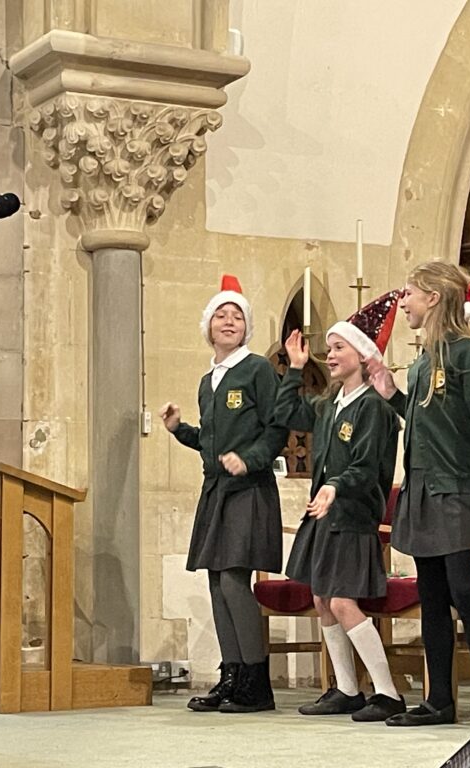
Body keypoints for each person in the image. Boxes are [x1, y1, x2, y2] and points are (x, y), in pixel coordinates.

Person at [366, 261, 470, 727]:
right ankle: (439, 701)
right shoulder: (423, 359)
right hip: (423, 491)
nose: (403, 302)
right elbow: (427, 422)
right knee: (432, 597)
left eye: (409, 293)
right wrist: (393, 396)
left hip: (455, 490)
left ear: (433, 298)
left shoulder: (469, 354)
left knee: (464, 591)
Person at [272, 292, 406, 722]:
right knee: (322, 598)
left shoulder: (374, 408)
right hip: (326, 515)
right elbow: (286, 411)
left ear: (362, 355)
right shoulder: (331, 404)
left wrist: (334, 485)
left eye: (338, 347)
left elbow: (366, 467)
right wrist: (296, 367)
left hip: (352, 516)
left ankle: (387, 692)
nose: (329, 355)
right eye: (328, 348)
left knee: (344, 602)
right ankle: (347, 689)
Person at [161, 275, 288, 712]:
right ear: (208, 326)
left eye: (237, 316)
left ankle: (256, 682)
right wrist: (180, 430)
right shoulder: (208, 380)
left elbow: (277, 428)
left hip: (249, 488)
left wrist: (249, 459)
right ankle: (231, 676)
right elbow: (211, 440)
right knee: (216, 582)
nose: (229, 321)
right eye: (221, 315)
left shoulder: (257, 369)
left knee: (235, 579)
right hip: (216, 489)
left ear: (246, 327)